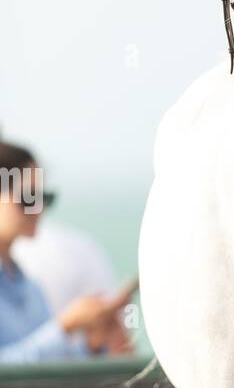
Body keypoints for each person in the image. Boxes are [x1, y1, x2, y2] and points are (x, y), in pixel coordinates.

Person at [0, 139, 134, 363]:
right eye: (28, 198)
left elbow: (44, 369)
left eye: (43, 197)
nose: (38, 207)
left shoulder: (30, 287)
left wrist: (95, 344)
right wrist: (65, 326)